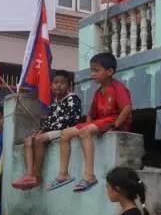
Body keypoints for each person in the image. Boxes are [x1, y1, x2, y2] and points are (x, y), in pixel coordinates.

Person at [48, 53, 132, 192]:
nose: (92, 74)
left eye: (96, 70)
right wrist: (88, 126)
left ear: (109, 71)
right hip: (100, 122)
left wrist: (115, 125)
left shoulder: (118, 87)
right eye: (91, 70)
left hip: (112, 121)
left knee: (85, 131)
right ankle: (63, 174)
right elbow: (91, 116)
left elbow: (127, 108)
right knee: (65, 133)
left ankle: (89, 175)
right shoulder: (98, 92)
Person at [13, 70, 81, 190]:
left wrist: (46, 130)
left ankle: (37, 175)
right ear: (51, 86)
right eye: (55, 82)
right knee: (28, 140)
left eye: (62, 83)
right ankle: (28, 174)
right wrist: (42, 129)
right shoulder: (54, 102)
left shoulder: (72, 99)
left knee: (39, 140)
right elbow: (49, 119)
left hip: (66, 130)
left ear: (69, 86)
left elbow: (70, 119)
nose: (58, 85)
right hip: (52, 130)